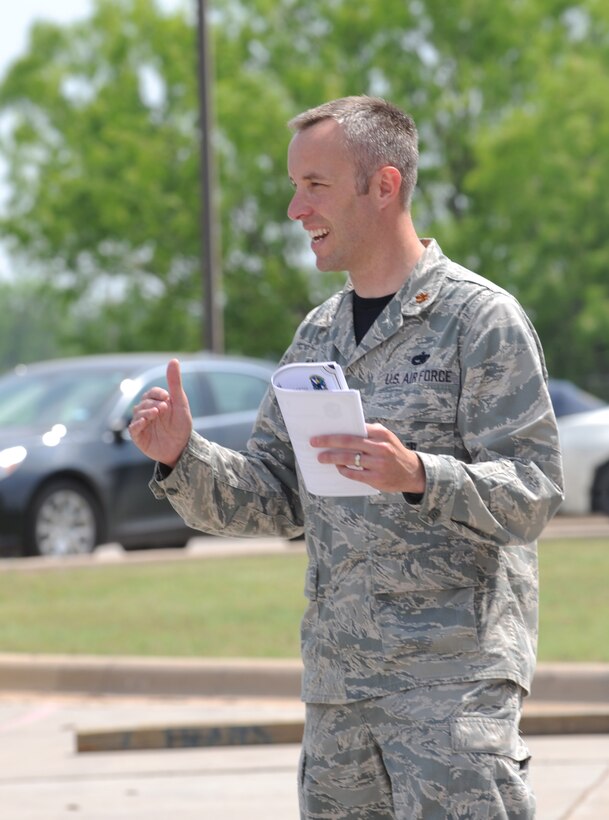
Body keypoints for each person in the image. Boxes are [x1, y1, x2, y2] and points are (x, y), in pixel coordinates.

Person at [130, 96, 564, 819]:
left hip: (448, 688)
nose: (296, 209)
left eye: (315, 185)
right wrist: (185, 458)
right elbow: (273, 497)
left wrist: (420, 474)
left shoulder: (478, 321)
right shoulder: (317, 335)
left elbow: (533, 493)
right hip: (338, 693)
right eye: (294, 186)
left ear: (383, 185)